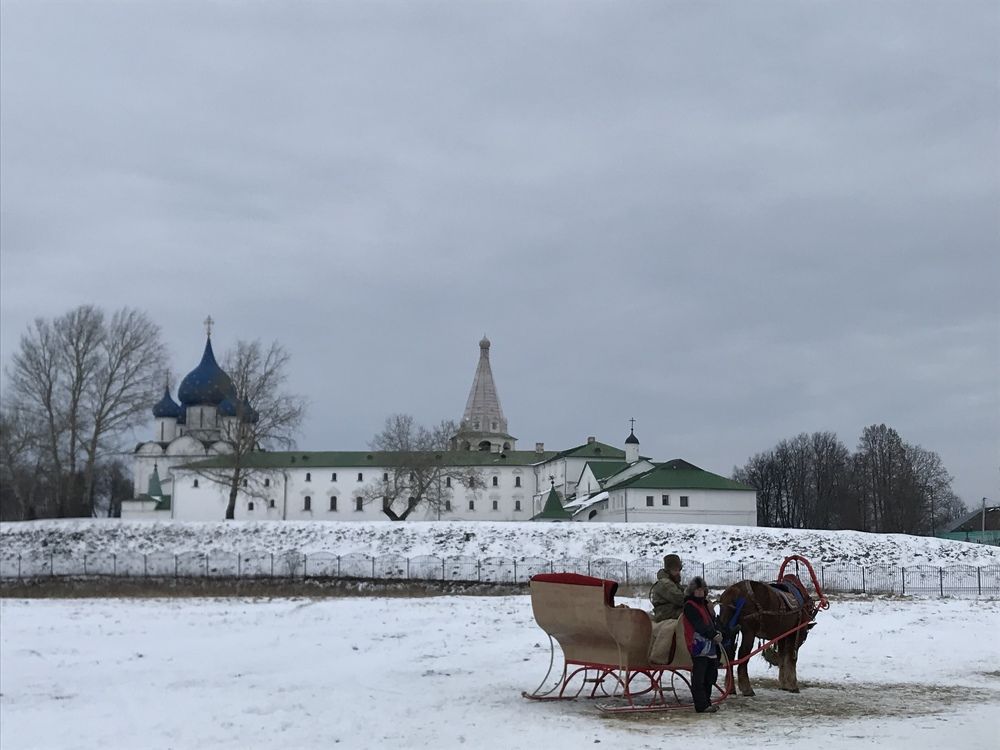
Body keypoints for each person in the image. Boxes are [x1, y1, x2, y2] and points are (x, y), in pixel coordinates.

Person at [682, 576, 723, 714]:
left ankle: (707, 701)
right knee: (699, 676)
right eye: (697, 590)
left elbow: (711, 623)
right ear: (692, 591)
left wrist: (717, 631)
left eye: (701, 590)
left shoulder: (705, 605)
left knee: (710, 675)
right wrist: (713, 635)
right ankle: (701, 705)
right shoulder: (689, 606)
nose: (700, 593)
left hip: (710, 647)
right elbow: (699, 625)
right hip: (698, 646)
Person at [649, 554, 685, 622]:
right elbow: (680, 599)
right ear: (668, 571)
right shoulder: (665, 583)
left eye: (679, 570)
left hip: (672, 611)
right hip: (665, 614)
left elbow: (685, 593)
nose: (678, 573)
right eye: (675, 570)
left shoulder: (673, 582)